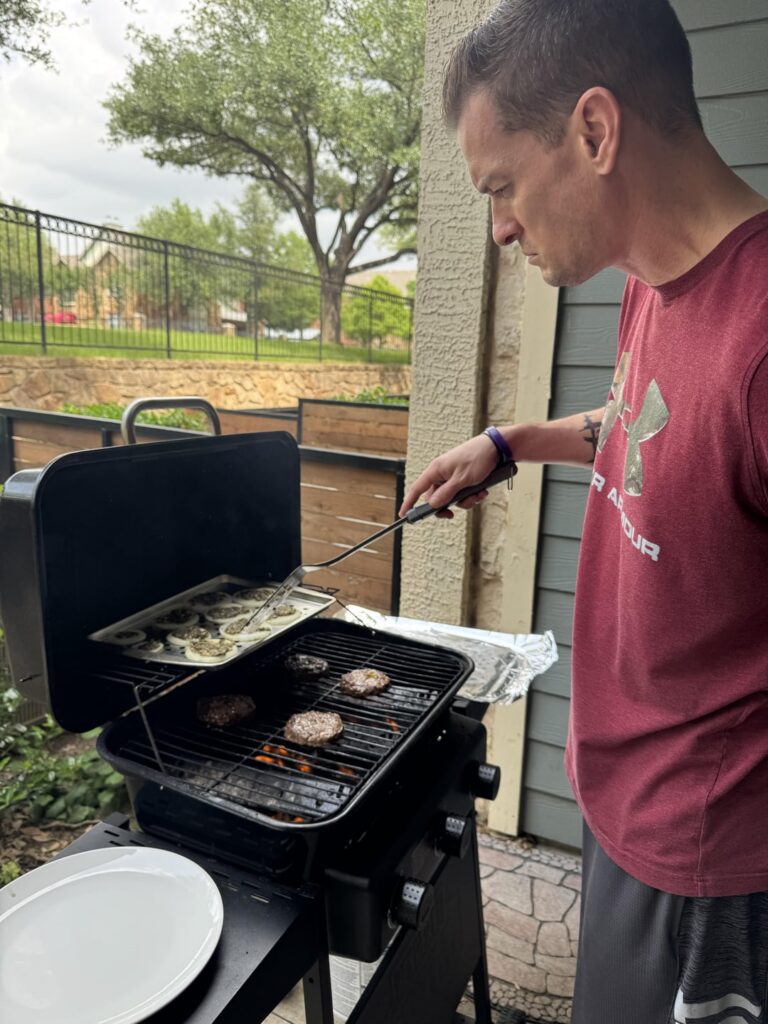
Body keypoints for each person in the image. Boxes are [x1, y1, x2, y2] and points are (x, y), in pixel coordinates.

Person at [399, 2, 768, 1021]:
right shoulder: (657, 281)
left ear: (596, 132)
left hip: (712, 864)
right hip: (619, 797)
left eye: (502, 187)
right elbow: (645, 421)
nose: (501, 225)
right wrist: (509, 444)